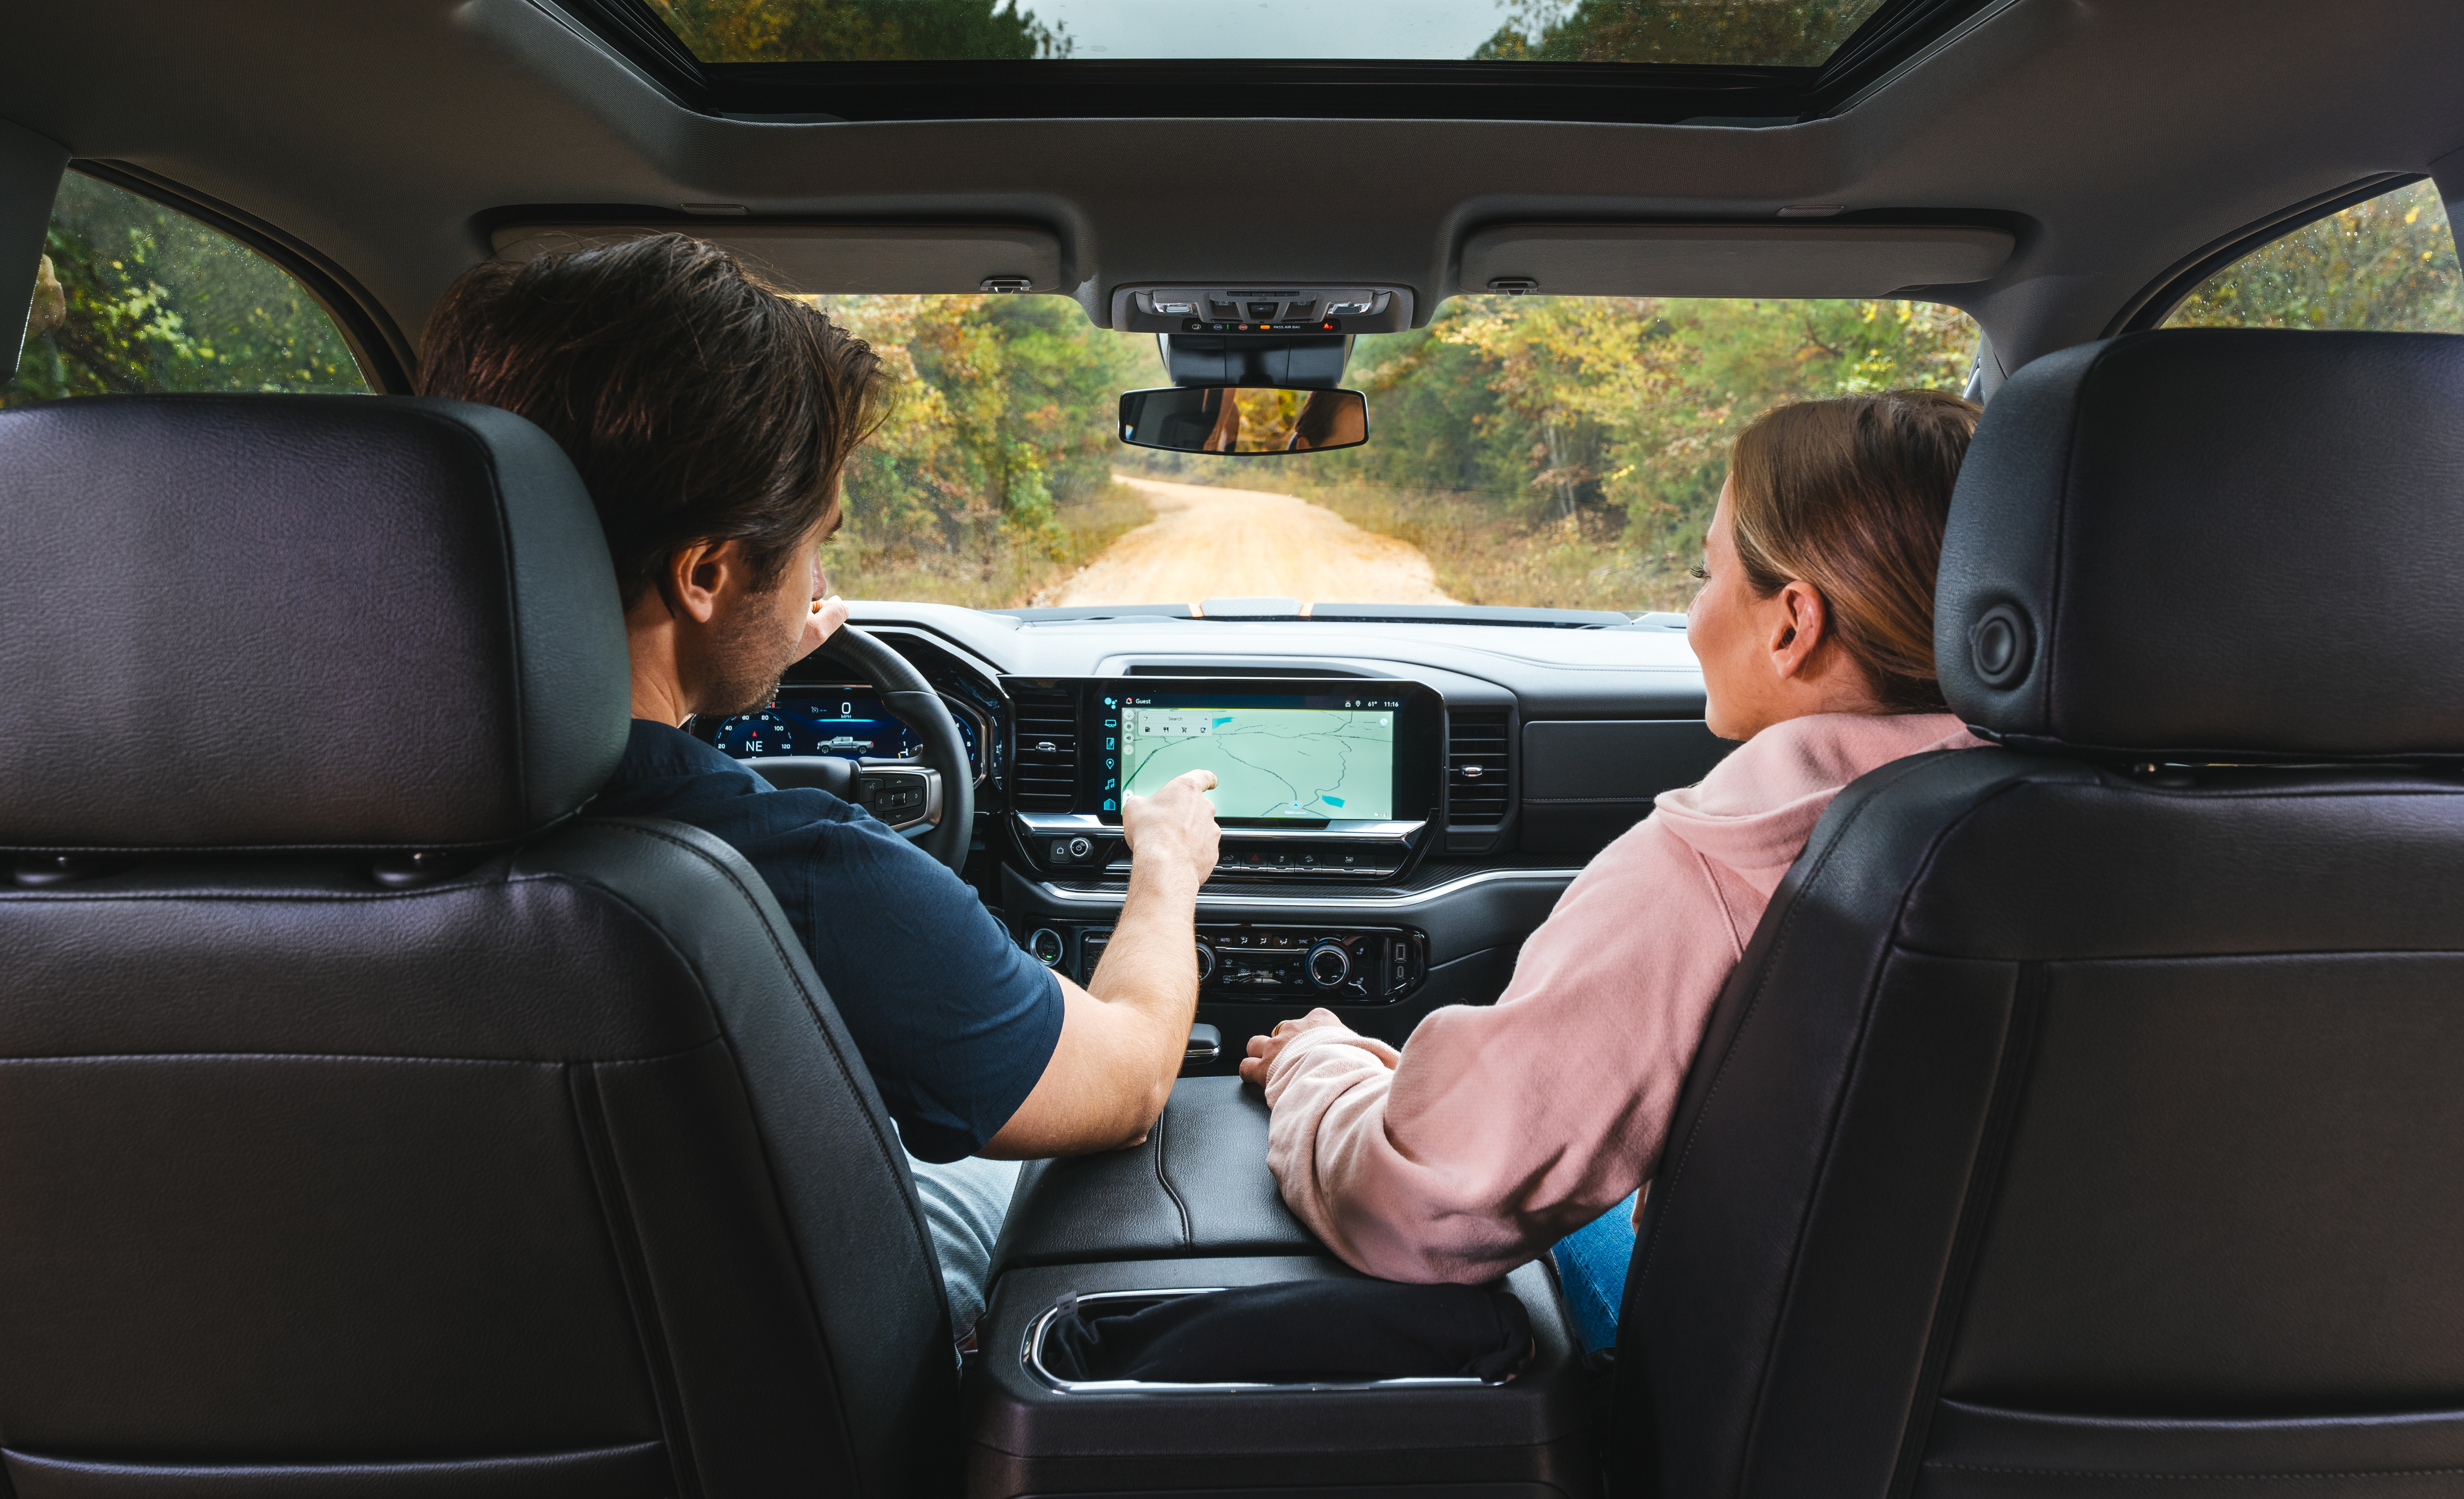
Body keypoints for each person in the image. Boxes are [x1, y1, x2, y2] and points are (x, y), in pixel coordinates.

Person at [418, 233, 1222, 1340]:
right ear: (705, 574)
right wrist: (1166, 873)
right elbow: (1130, 1082)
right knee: (999, 1179)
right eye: (810, 545)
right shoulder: (797, 875)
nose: (814, 587)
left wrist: (706, 671)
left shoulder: (232, 819)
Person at [1238, 389, 1986, 1353]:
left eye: (1706, 572)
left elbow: (1419, 1203)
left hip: (1786, 1408)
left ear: (1793, 624)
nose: (1690, 611)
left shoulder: (1720, 866)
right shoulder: (2184, 832)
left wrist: (1321, 1068)